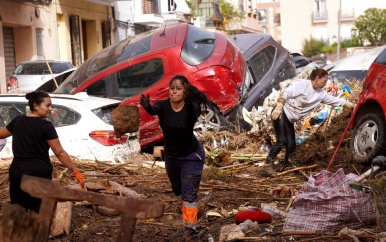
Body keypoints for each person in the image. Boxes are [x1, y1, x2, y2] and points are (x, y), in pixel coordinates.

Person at [140, 75, 212, 233]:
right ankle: (189, 212)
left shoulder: (191, 108)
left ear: (185, 91)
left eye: (178, 89)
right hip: (172, 156)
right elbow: (153, 110)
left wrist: (191, 96)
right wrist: (147, 106)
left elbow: (196, 108)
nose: (174, 92)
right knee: (177, 190)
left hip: (192, 156)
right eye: (172, 88)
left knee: (189, 192)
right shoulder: (163, 106)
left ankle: (190, 228)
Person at [0, 91, 85, 212]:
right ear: (36, 105)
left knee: (18, 211)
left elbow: (1, 134)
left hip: (18, 171)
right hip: (39, 173)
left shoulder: (17, 121)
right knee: (38, 212)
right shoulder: (46, 126)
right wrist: (75, 171)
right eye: (48, 105)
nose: (50, 109)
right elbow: (59, 151)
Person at [262, 68, 356, 176]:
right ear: (317, 78)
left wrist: (348, 104)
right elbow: (287, 93)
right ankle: (266, 166)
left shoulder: (321, 94)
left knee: (291, 144)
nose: (324, 84)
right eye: (323, 81)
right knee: (282, 141)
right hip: (281, 113)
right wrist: (279, 105)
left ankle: (288, 165)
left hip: (290, 119)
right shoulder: (302, 85)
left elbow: (334, 100)